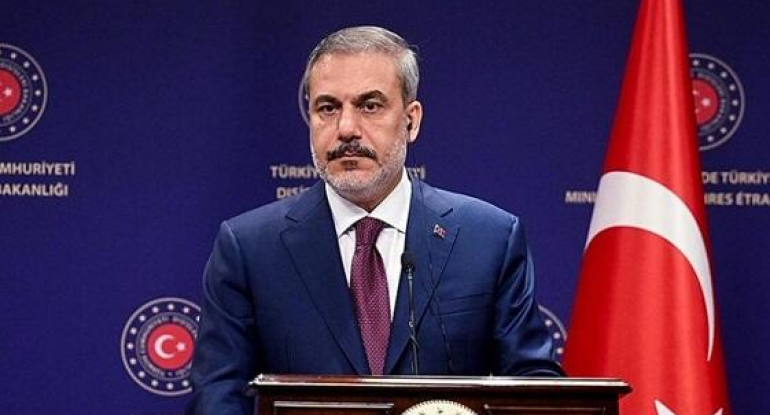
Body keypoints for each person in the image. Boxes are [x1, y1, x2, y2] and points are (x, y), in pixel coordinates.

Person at [187, 25, 562, 415]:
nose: (346, 128)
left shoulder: (488, 239)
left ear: (411, 121)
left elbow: (534, 390)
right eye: (328, 108)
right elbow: (218, 396)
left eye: (370, 105)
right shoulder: (249, 248)